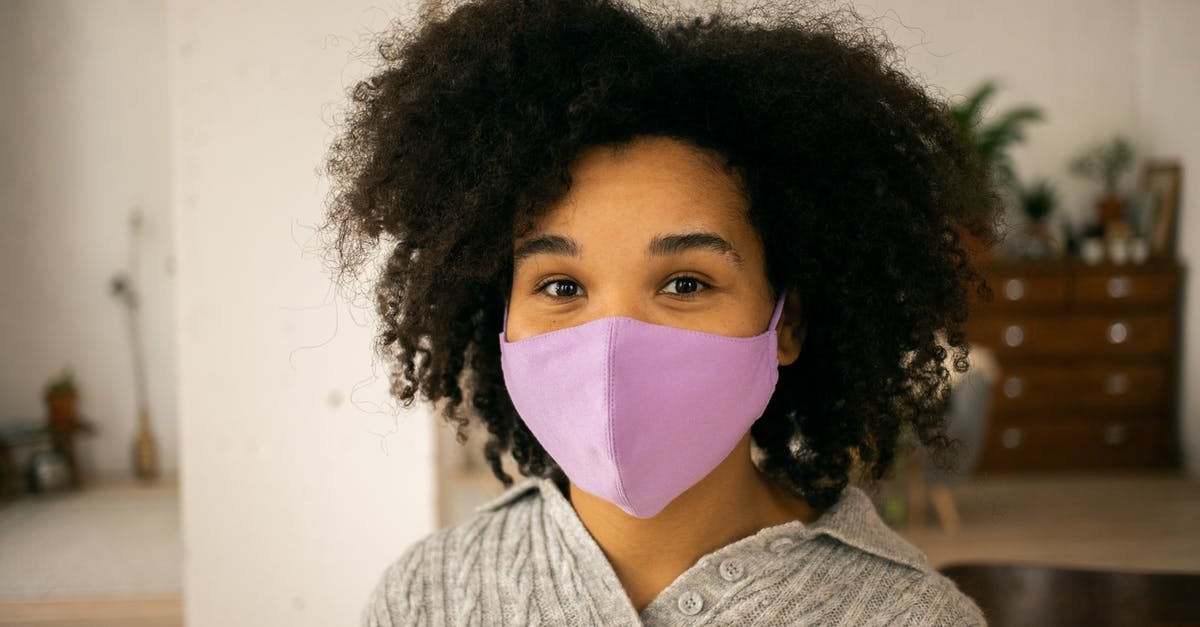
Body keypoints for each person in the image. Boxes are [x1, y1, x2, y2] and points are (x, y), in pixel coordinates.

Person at [322, 0, 998, 624]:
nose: (613, 340)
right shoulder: (428, 595)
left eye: (683, 282)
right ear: (500, 321)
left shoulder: (912, 617)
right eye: (560, 286)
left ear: (786, 323)